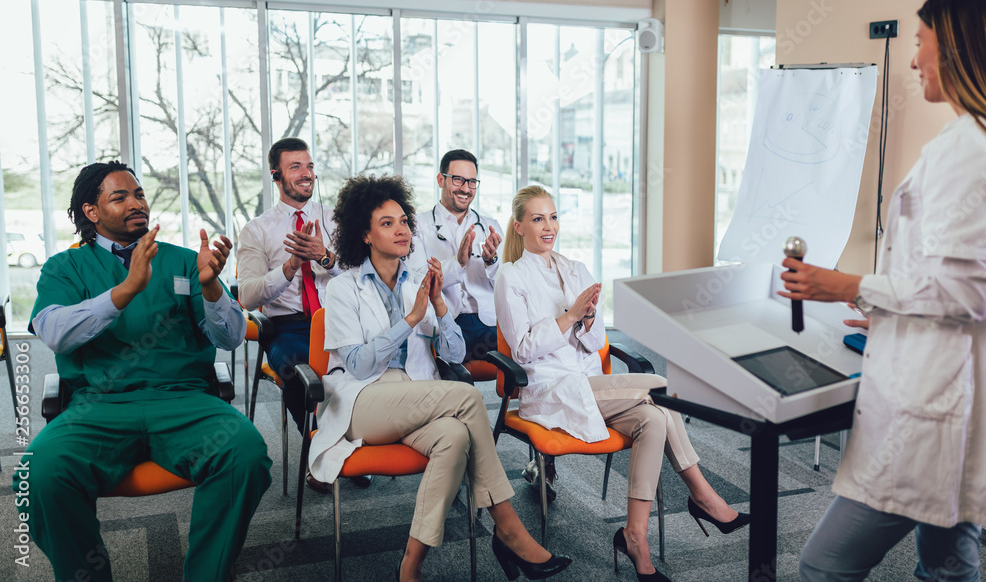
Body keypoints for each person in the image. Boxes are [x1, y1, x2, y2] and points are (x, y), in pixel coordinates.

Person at [782, 0, 986, 582]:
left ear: (956, 48)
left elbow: (965, 292)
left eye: (922, 41)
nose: (912, 59)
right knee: (948, 565)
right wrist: (888, 306)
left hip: (933, 410)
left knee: (823, 566)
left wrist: (848, 285)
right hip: (957, 393)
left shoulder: (968, 150)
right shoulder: (981, 140)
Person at [307, 174, 571, 582]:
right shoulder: (344, 288)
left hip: (415, 397)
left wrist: (439, 308)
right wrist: (411, 319)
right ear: (365, 234)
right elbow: (358, 365)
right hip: (362, 402)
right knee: (468, 398)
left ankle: (410, 567)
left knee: (455, 437)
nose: (401, 230)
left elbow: (454, 355)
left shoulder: (419, 281)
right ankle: (508, 528)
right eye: (387, 223)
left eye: (404, 221)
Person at [18, 161, 271, 582]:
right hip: (98, 405)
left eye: (138, 194)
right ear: (91, 212)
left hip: (184, 399)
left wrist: (211, 287)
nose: (136, 203)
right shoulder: (65, 267)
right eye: (119, 197)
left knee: (245, 453)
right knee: (37, 474)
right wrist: (126, 290)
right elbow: (55, 333)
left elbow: (229, 338)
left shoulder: (186, 261)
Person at [494, 185, 749, 582]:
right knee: (659, 387)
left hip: (592, 385)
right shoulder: (510, 277)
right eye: (538, 219)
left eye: (554, 217)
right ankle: (703, 495)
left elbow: (598, 342)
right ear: (519, 226)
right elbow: (523, 351)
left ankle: (634, 537)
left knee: (655, 419)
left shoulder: (576, 268)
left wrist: (587, 320)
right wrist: (569, 316)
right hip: (550, 390)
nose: (549, 226)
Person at [238, 138, 346, 491]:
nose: (306, 174)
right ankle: (323, 452)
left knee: (370, 364)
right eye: (295, 167)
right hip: (289, 327)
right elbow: (248, 296)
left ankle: (356, 444)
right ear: (276, 176)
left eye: (310, 166)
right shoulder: (257, 230)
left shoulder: (335, 220)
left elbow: (363, 275)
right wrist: (290, 267)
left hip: (340, 319)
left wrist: (325, 257)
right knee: (302, 373)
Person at [410, 149, 503, 362]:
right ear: (440, 180)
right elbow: (416, 281)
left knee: (518, 364)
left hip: (488, 324)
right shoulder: (417, 226)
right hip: (444, 321)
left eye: (472, 182)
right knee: (448, 368)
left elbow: (506, 285)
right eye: (458, 179)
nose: (466, 188)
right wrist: (458, 263)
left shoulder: (490, 227)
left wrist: (491, 262)